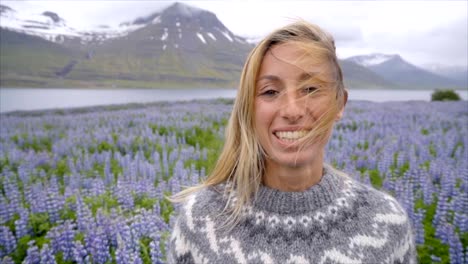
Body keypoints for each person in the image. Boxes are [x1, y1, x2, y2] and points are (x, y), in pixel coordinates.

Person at [168, 20, 416, 264]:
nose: (292, 110)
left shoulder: (386, 222)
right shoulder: (201, 218)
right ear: (248, 108)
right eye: (270, 92)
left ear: (340, 103)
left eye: (310, 89)